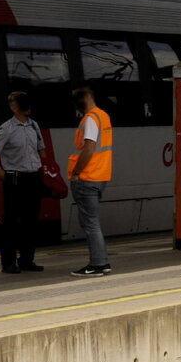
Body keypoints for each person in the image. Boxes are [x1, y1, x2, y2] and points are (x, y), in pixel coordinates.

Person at [0, 91, 46, 274]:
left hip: (33, 176)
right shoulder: (6, 129)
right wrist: (4, 176)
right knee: (11, 222)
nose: (29, 107)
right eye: (24, 103)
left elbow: (41, 151)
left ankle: (27, 260)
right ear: (14, 107)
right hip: (15, 177)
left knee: (31, 220)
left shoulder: (34, 126)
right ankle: (8, 262)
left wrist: (43, 169)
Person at [68, 84, 113, 277]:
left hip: (87, 177)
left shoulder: (90, 119)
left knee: (90, 223)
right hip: (100, 175)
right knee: (91, 222)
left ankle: (98, 264)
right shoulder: (103, 116)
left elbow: (89, 149)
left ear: (84, 99)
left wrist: (77, 171)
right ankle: (101, 262)